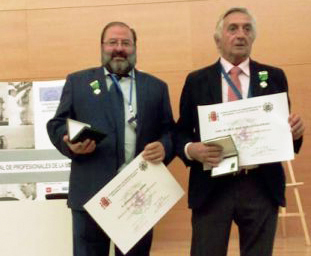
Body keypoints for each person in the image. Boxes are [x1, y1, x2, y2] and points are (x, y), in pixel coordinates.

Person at [175, 7, 304, 256]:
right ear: (218, 38)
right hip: (212, 187)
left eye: (247, 28)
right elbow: (180, 132)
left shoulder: (275, 77)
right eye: (232, 28)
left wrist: (295, 133)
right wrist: (192, 150)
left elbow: (283, 134)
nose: (241, 34)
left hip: (261, 186)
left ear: (253, 37)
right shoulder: (197, 80)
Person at [47, 21, 175, 256]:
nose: (119, 48)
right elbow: (56, 124)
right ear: (101, 46)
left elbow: (170, 132)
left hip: (139, 196)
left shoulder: (156, 87)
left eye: (126, 43)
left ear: (135, 47)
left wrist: (165, 147)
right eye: (112, 42)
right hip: (90, 196)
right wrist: (69, 143)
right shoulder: (78, 82)